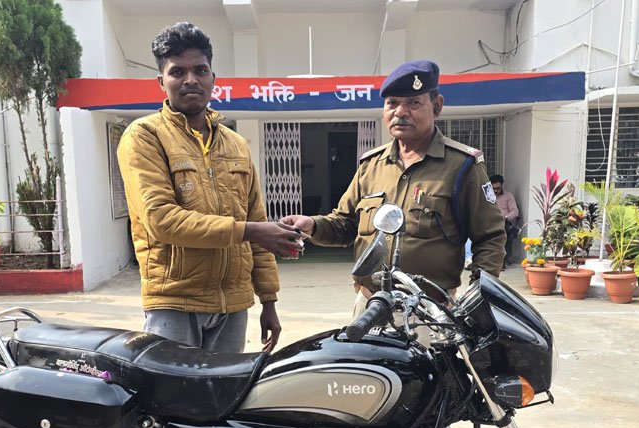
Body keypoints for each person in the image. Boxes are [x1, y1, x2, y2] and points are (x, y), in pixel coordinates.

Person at [117, 22, 302, 353]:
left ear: (213, 78)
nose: (191, 80)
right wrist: (249, 231)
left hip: (234, 304)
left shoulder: (236, 144)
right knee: (174, 387)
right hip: (175, 300)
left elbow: (257, 219)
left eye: (200, 70)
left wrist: (269, 300)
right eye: (178, 72)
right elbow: (162, 220)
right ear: (161, 82)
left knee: (225, 386)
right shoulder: (145, 136)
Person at [282, 60, 505, 304]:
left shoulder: (461, 166)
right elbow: (345, 225)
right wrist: (312, 225)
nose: (400, 112)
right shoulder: (371, 165)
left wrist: (477, 295)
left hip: (430, 310)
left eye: (413, 103)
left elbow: (490, 237)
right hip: (370, 304)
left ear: (437, 106)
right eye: (392, 103)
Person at [489, 175, 520, 268]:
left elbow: (515, 211)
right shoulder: (485, 196)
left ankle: (500, 260)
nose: (495, 191)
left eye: (498, 188)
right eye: (493, 188)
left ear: (502, 185)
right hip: (489, 223)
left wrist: (506, 217)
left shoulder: (508, 196)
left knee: (501, 232)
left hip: (503, 222)